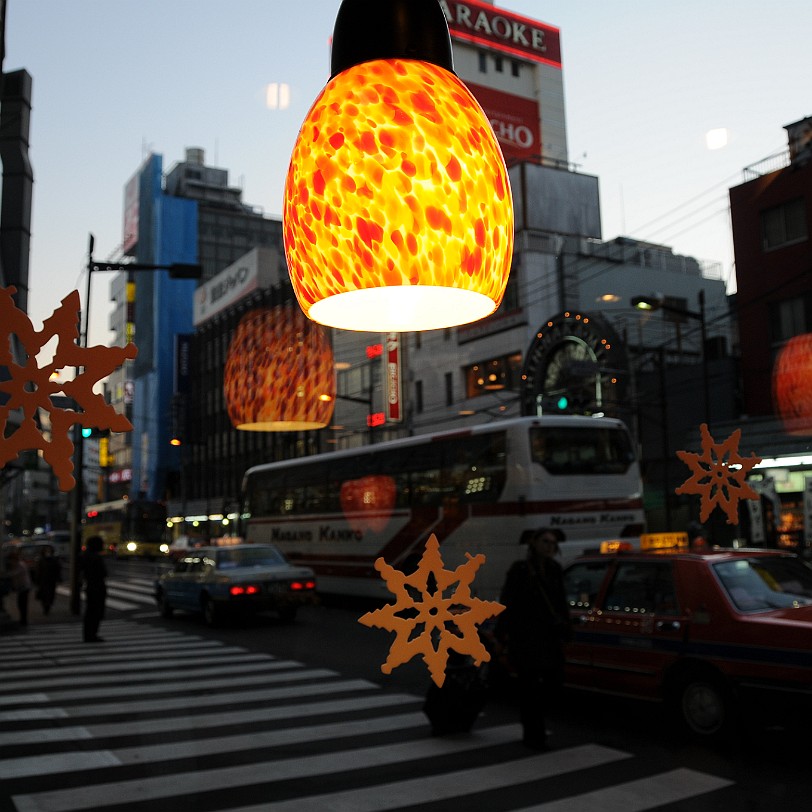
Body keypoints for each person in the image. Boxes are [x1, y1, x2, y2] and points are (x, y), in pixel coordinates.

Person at [497, 527, 571, 750]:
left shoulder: (555, 569)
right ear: (534, 544)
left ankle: (535, 727)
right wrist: (503, 633)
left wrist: (566, 628)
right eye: (545, 542)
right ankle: (533, 733)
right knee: (529, 687)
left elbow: (561, 602)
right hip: (526, 637)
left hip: (548, 638)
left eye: (553, 543)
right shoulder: (520, 570)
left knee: (552, 683)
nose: (550, 546)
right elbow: (507, 602)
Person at [80, 535, 107, 642]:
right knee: (95, 612)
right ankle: (92, 634)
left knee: (90, 612)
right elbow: (103, 573)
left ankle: (88, 634)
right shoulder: (96, 557)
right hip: (97, 587)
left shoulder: (85, 556)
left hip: (90, 586)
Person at [5, 549, 32, 627]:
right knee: (21, 604)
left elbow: (14, 574)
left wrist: (6, 574)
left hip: (24, 587)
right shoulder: (18, 565)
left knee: (22, 604)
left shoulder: (20, 565)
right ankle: (23, 619)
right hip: (22, 587)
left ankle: (24, 620)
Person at [35, 544, 62, 616]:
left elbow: (58, 569)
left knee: (50, 594)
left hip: (51, 580)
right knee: (45, 594)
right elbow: (38, 571)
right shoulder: (42, 560)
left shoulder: (53, 560)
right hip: (44, 580)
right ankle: (46, 606)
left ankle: (47, 606)